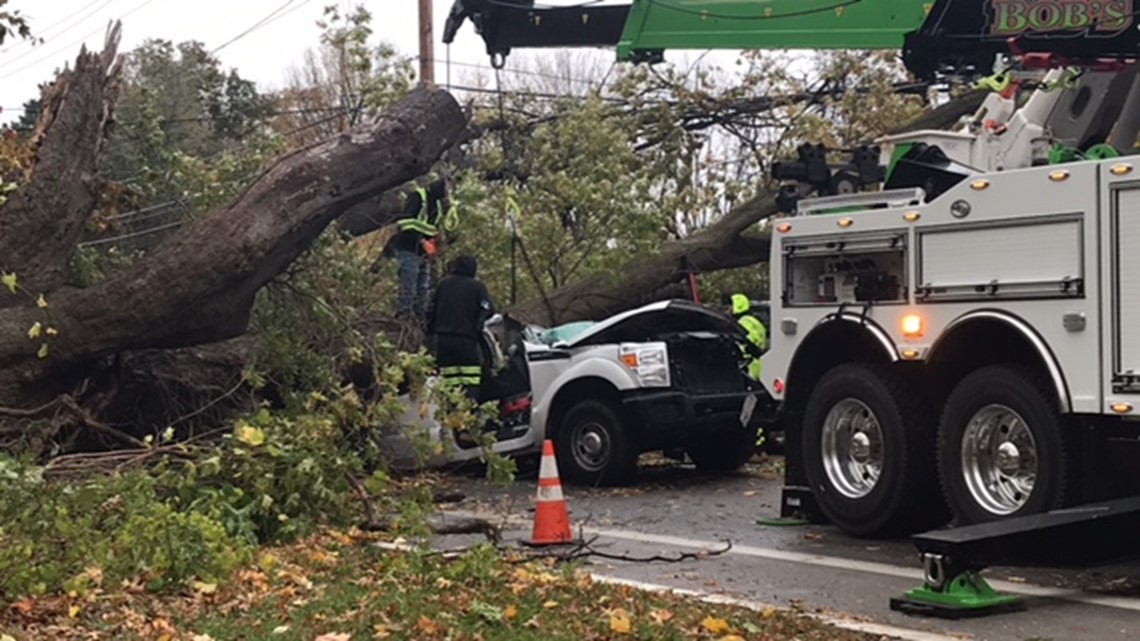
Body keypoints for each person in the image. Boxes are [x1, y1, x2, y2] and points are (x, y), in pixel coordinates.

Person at [427, 255, 494, 401]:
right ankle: (468, 413)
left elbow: (431, 310)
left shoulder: (443, 285)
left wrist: (429, 331)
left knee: (450, 381)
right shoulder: (477, 287)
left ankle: (453, 414)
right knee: (470, 379)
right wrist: (478, 324)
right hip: (466, 340)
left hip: (443, 341)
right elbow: (488, 309)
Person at [394, 176, 459, 320]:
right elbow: (406, 223)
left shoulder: (438, 206)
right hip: (408, 246)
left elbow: (433, 229)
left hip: (424, 252)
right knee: (409, 283)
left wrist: (436, 245)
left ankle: (420, 316)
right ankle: (404, 315)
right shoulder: (418, 196)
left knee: (423, 286)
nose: (448, 193)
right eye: (447, 189)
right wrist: (423, 241)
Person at [730, 293, 767, 380]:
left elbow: (748, 342)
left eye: (731, 305)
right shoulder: (752, 320)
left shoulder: (744, 322)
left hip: (750, 365)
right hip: (756, 363)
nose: (729, 309)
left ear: (738, 306)